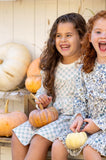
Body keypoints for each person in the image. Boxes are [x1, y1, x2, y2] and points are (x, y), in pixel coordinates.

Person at [51, 10, 106, 160]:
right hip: (88, 124)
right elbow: (79, 98)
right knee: (59, 144)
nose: (103, 36)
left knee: (90, 148)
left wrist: (99, 124)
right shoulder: (85, 67)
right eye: (98, 32)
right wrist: (79, 117)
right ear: (90, 37)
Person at [11, 12, 86, 160]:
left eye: (68, 35)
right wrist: (42, 101)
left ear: (82, 38)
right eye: (58, 35)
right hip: (52, 117)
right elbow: (41, 92)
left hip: (72, 120)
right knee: (18, 134)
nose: (63, 40)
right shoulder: (52, 66)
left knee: (38, 139)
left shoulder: (86, 66)